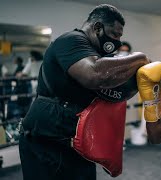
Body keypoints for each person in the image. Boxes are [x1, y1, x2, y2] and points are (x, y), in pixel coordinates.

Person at [19, 4, 148, 180]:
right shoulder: (71, 40)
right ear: (97, 28)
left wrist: (138, 79)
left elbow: (118, 92)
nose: (117, 41)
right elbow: (94, 75)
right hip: (45, 137)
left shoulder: (98, 55)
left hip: (76, 142)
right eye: (114, 34)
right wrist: (140, 58)